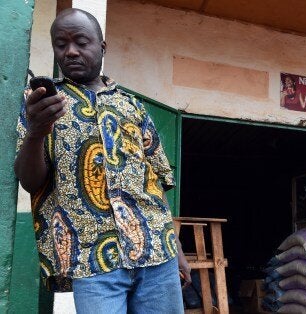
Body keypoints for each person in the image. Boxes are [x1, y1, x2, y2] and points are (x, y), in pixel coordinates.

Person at [14, 8, 190, 313]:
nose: (70, 51)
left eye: (81, 42)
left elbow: (155, 181)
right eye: (60, 44)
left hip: (158, 253)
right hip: (93, 258)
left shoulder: (132, 106)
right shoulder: (39, 103)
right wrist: (36, 132)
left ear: (101, 46)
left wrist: (177, 247)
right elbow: (30, 182)